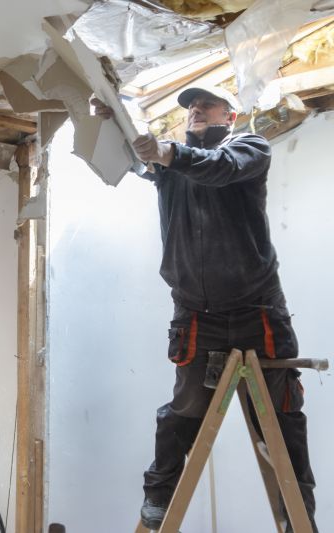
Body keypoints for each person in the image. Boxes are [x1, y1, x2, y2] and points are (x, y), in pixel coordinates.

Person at [92, 87, 317, 532]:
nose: (195, 110)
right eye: (190, 106)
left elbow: (219, 169)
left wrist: (168, 152)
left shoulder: (248, 148)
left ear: (229, 115)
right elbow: (129, 158)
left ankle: (297, 516)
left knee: (280, 417)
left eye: (206, 105)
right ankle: (157, 501)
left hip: (259, 312)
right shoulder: (168, 164)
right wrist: (109, 120)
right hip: (196, 316)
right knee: (183, 412)